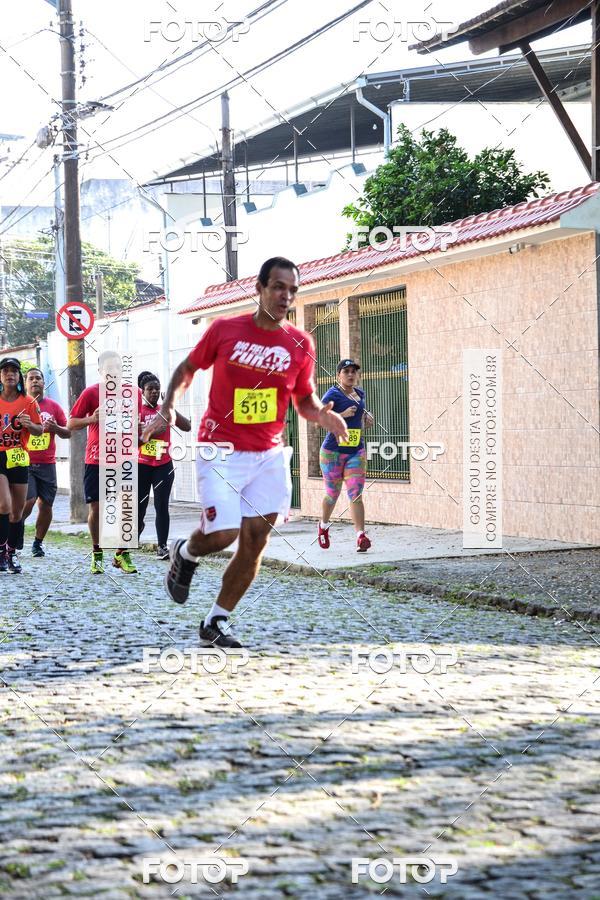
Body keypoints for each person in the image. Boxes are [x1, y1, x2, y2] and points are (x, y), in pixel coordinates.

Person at [142, 256, 348, 649]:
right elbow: (187, 368)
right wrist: (168, 406)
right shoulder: (225, 329)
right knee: (223, 533)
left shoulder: (300, 343)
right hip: (220, 447)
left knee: (255, 541)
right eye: (278, 287)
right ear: (259, 288)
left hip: (268, 454)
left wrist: (321, 414)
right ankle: (185, 552)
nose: (286, 296)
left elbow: (302, 398)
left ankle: (215, 620)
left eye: (292, 290)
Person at [68, 352, 138, 575]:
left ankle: (121, 553)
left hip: (125, 459)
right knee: (97, 509)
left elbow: (142, 421)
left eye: (117, 367)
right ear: (100, 371)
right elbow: (71, 423)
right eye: (108, 368)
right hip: (97, 459)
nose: (113, 372)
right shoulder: (91, 393)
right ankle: (97, 552)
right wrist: (92, 419)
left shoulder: (133, 392)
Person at [318, 359, 374, 552]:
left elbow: (359, 417)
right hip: (332, 452)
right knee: (332, 495)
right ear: (338, 375)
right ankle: (323, 526)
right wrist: (341, 415)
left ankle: (361, 536)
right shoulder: (332, 394)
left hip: (355, 451)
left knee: (355, 494)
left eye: (354, 372)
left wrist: (366, 419)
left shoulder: (360, 394)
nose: (351, 375)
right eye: (346, 371)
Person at [15, 368, 71, 558]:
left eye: (38, 378)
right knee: (28, 501)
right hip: (25, 462)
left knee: (46, 505)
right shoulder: (19, 404)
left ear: (43, 382)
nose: (35, 381)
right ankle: (17, 529)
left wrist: (56, 427)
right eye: (31, 378)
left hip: (47, 463)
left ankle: (38, 543)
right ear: (25, 382)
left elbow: (68, 432)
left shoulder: (53, 406)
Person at [137, 370, 191, 560]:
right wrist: (150, 433)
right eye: (149, 389)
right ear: (142, 392)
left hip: (163, 465)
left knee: (162, 506)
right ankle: (132, 538)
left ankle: (162, 546)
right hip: (142, 465)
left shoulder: (165, 410)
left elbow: (187, 426)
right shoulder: (137, 412)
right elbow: (130, 441)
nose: (153, 392)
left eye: (157, 389)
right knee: (139, 506)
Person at [0, 358, 43, 573]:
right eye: (6, 371)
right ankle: (0, 551)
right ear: (1, 376)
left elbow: (40, 430)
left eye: (14, 372)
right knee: (4, 505)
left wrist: (30, 424)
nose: (10, 375)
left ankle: (11, 552)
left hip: (18, 457)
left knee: (16, 513)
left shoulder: (28, 402)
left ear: (19, 377)